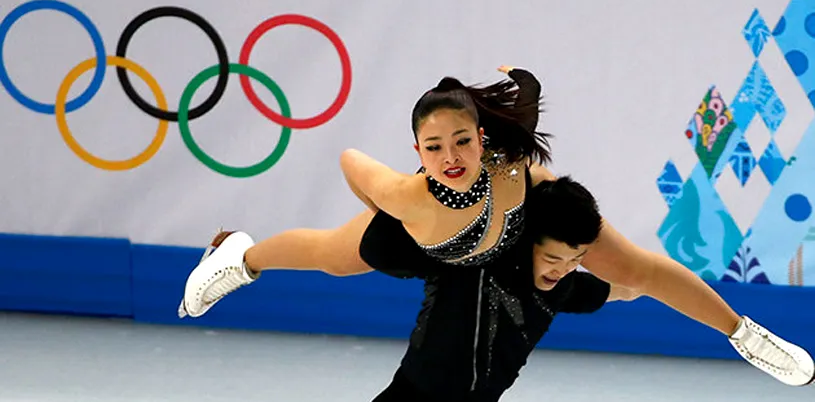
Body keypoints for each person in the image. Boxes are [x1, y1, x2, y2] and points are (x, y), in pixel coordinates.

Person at [177, 66, 814, 387]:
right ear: (417, 150)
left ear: (482, 139)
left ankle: (744, 333)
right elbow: (350, 162)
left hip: (494, 244)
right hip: (417, 236)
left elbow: (638, 269)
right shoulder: (408, 193)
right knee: (329, 256)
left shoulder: (520, 177)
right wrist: (384, 204)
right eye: (433, 147)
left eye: (462, 140)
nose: (450, 156)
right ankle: (238, 257)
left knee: (636, 270)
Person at [365, 173, 641, 401]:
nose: (563, 269)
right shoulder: (473, 260)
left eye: (575, 260)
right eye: (552, 258)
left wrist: (646, 285)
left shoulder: (562, 287)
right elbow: (376, 251)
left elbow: (620, 289)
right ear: (528, 242)